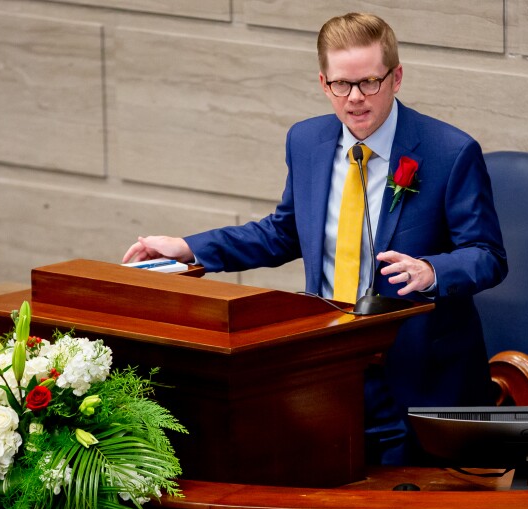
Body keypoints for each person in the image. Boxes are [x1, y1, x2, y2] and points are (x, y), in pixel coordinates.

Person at [122, 12, 507, 465]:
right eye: (341, 85)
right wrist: (190, 248)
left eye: (369, 83)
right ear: (323, 83)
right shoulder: (307, 141)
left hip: (416, 373)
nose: (356, 99)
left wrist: (431, 271)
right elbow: (284, 232)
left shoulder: (449, 151)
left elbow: (487, 255)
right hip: (326, 366)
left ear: (396, 78)